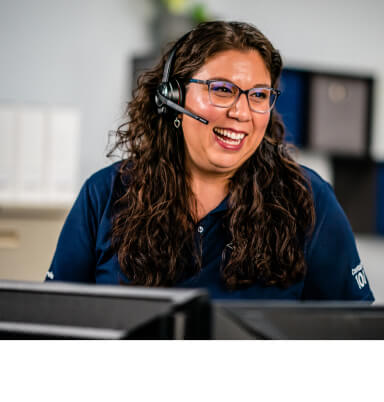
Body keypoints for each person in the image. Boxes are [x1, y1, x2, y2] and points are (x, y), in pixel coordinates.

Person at [46, 21, 374, 301]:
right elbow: (54, 322)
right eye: (221, 90)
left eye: (259, 95)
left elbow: (351, 332)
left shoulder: (308, 198)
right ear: (173, 97)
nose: (241, 113)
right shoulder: (105, 194)